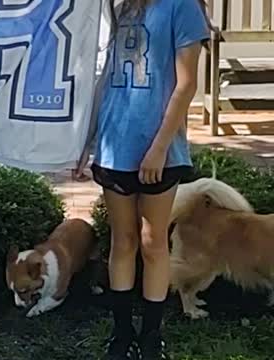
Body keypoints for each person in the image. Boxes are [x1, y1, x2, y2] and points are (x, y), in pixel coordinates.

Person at [74, 0, 210, 359]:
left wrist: (159, 147)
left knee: (153, 243)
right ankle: (121, 335)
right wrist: (84, 141)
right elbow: (98, 79)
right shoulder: (114, 7)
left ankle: (151, 336)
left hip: (159, 148)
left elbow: (187, 85)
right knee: (123, 241)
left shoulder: (183, 8)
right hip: (114, 144)